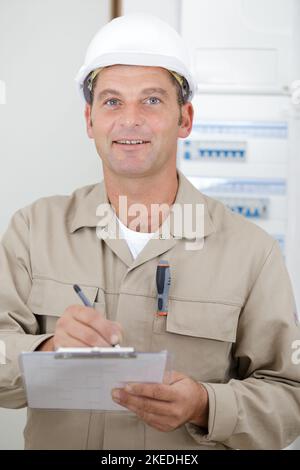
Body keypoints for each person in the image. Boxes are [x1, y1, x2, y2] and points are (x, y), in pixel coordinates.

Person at [0, 12, 300, 450]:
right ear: (89, 120)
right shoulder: (33, 230)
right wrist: (46, 352)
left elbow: (291, 396)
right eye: (112, 101)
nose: (130, 119)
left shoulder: (251, 252)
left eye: (153, 100)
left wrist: (204, 404)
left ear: (185, 119)